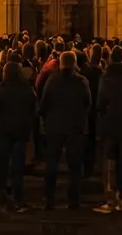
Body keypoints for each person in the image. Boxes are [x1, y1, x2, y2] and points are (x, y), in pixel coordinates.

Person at [39, 50, 91, 210]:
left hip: (55, 126)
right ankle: (74, 200)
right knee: (74, 165)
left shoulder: (52, 80)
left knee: (52, 163)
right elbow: (87, 102)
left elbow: (44, 103)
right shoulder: (82, 81)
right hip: (75, 127)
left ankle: (49, 198)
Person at [94, 47, 122, 214]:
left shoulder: (105, 79)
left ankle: (111, 199)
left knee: (110, 161)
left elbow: (100, 104)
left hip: (110, 123)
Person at [0, 60, 37, 212]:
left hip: (3, 130)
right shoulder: (27, 89)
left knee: (2, 164)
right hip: (20, 130)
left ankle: (1, 192)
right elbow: (33, 109)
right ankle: (18, 195)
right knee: (18, 165)